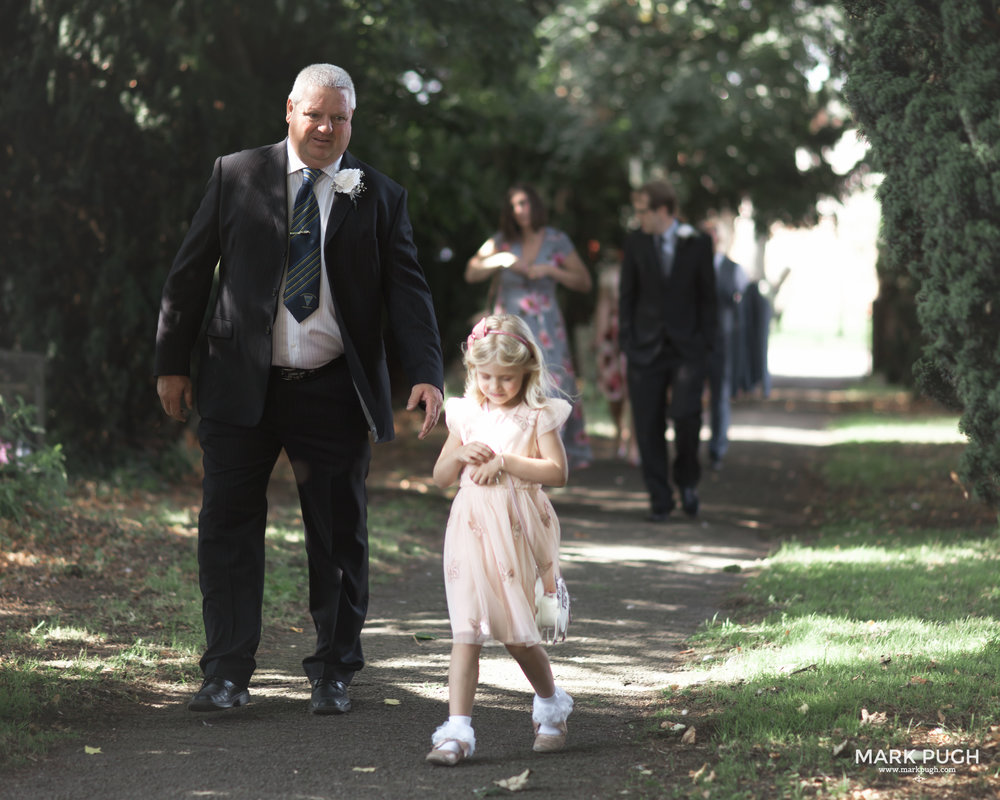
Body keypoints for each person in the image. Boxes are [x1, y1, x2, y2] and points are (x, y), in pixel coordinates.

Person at [154, 63, 444, 716]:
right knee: (226, 528)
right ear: (290, 110)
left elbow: (408, 291)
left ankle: (334, 669)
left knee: (340, 535)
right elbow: (191, 272)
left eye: (339, 119)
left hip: (333, 391)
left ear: (351, 123)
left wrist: (426, 372)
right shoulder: (237, 175)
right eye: (315, 115)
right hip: (237, 388)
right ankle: (226, 673)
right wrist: (172, 362)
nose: (326, 129)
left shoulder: (379, 194)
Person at [425, 314, 574, 766]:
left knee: (516, 633)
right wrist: (460, 456)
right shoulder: (466, 414)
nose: (495, 385)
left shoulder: (536, 415)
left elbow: (558, 473)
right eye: (485, 376)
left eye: (506, 378)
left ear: (526, 371)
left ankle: (550, 702)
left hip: (517, 530)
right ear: (473, 372)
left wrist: (507, 461)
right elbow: (440, 477)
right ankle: (457, 731)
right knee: (466, 630)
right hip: (469, 531)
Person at [465, 183, 593, 470]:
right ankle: (512, 451)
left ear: (535, 204)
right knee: (508, 380)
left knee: (553, 382)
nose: (519, 210)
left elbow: (584, 281)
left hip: (547, 325)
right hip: (510, 327)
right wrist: (500, 260)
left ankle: (551, 457)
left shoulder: (557, 241)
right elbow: (471, 272)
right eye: (513, 206)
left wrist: (551, 271)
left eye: (523, 203)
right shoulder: (501, 241)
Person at [619, 180, 716, 521]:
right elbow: (627, 296)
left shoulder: (698, 243)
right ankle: (659, 497)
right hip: (644, 348)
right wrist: (627, 343)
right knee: (647, 424)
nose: (639, 217)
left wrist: (708, 346)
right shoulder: (635, 243)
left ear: (663, 210)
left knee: (687, 417)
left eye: (643, 210)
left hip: (688, 348)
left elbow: (708, 299)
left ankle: (687, 483)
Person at [703, 218, 749, 471]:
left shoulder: (734, 270)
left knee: (720, 396)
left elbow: (741, 312)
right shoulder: (690, 268)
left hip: (723, 343)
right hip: (696, 342)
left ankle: (717, 450)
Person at [592, 252, 639, 464]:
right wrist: (599, 337)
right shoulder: (610, 276)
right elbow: (603, 305)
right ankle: (620, 431)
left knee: (637, 391)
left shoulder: (644, 273)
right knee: (614, 391)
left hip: (638, 336)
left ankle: (634, 443)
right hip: (613, 336)